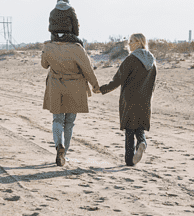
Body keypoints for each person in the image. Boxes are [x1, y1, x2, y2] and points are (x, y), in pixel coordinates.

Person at [41, 30, 100, 167]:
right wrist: (95, 86)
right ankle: (64, 154)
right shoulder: (77, 48)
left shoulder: (48, 46)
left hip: (56, 86)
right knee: (69, 122)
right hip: (75, 87)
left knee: (57, 119)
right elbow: (88, 69)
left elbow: (44, 65)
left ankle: (58, 145)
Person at [98, 33, 158, 166]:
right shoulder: (152, 61)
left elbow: (117, 80)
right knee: (139, 127)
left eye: (131, 41)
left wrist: (102, 89)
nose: (128, 44)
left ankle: (129, 161)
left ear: (138, 43)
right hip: (145, 100)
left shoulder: (131, 59)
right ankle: (142, 142)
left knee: (130, 130)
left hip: (130, 99)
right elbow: (153, 84)